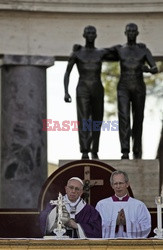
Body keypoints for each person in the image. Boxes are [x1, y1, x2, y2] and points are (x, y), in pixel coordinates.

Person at [64, 25, 116, 160]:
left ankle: (95, 150)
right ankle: (85, 150)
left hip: (97, 88)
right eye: (88, 33)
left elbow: (118, 51)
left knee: (97, 121)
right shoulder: (77, 53)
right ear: (84, 35)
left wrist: (134, 47)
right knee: (84, 120)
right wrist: (66, 92)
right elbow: (67, 73)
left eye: (93, 33)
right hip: (82, 89)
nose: (91, 35)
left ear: (96, 35)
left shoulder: (101, 52)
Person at [109, 23, 158, 159]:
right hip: (123, 86)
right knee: (124, 118)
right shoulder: (120, 50)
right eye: (129, 31)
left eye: (133, 31)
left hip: (138, 87)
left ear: (137, 33)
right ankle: (125, 150)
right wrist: (82, 49)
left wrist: (146, 69)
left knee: (138, 119)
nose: (131, 33)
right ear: (125, 33)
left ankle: (137, 149)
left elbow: (155, 68)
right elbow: (101, 52)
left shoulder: (143, 50)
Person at [96, 170, 151, 238]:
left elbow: (146, 227)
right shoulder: (102, 205)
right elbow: (96, 226)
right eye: (115, 183)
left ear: (127, 184)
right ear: (112, 185)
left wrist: (126, 223)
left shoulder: (138, 205)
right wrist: (115, 222)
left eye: (121, 183)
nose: (118, 186)